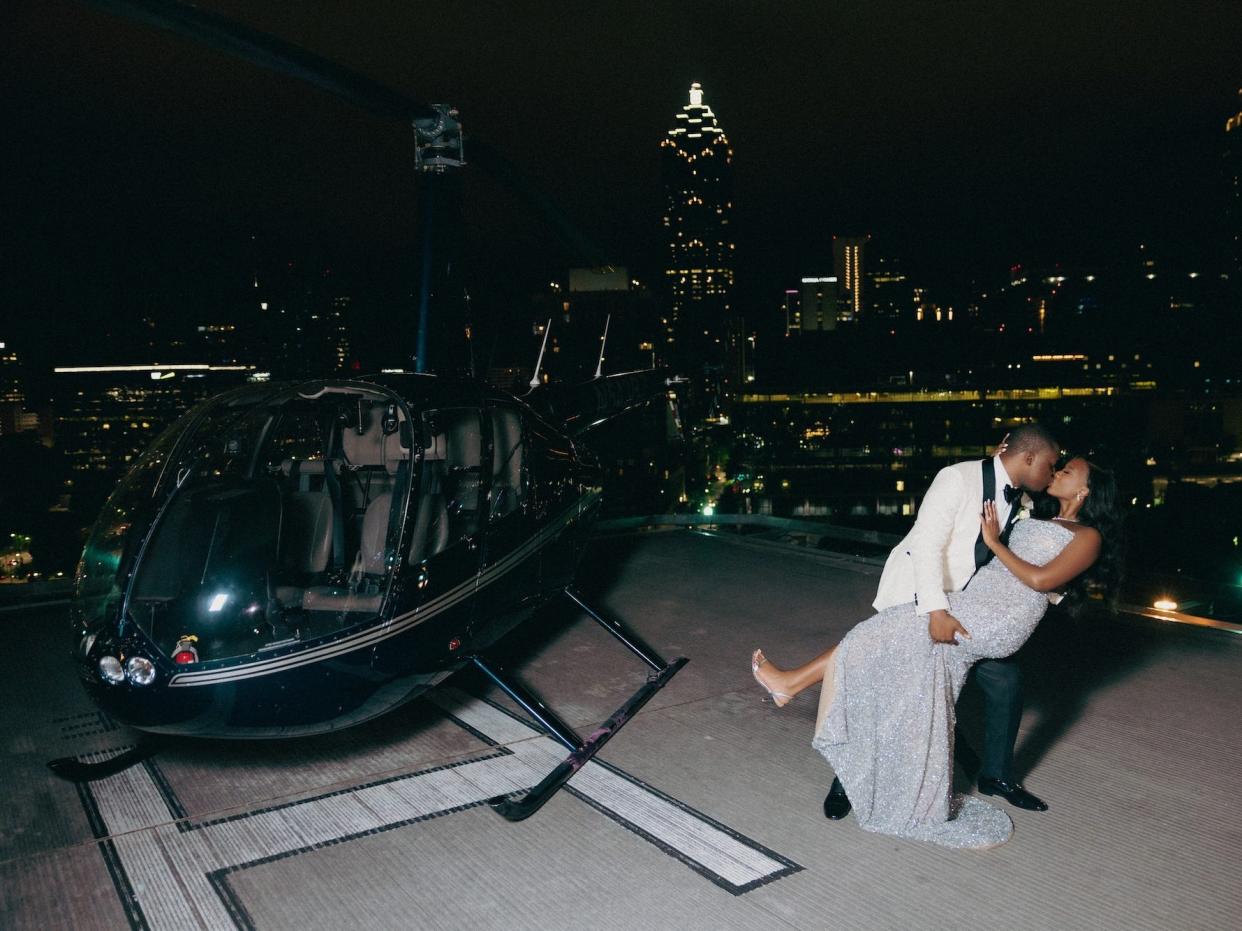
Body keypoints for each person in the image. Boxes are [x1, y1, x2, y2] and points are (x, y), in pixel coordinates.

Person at [751, 454, 1120, 848]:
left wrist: (996, 541)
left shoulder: (1089, 537)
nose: (1058, 471)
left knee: (886, 635)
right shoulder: (1031, 513)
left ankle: (792, 682)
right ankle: (854, 770)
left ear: (1084, 491)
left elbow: (1041, 578)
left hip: (1000, 615)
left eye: (1068, 471)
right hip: (974, 599)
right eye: (1058, 466)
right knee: (896, 664)